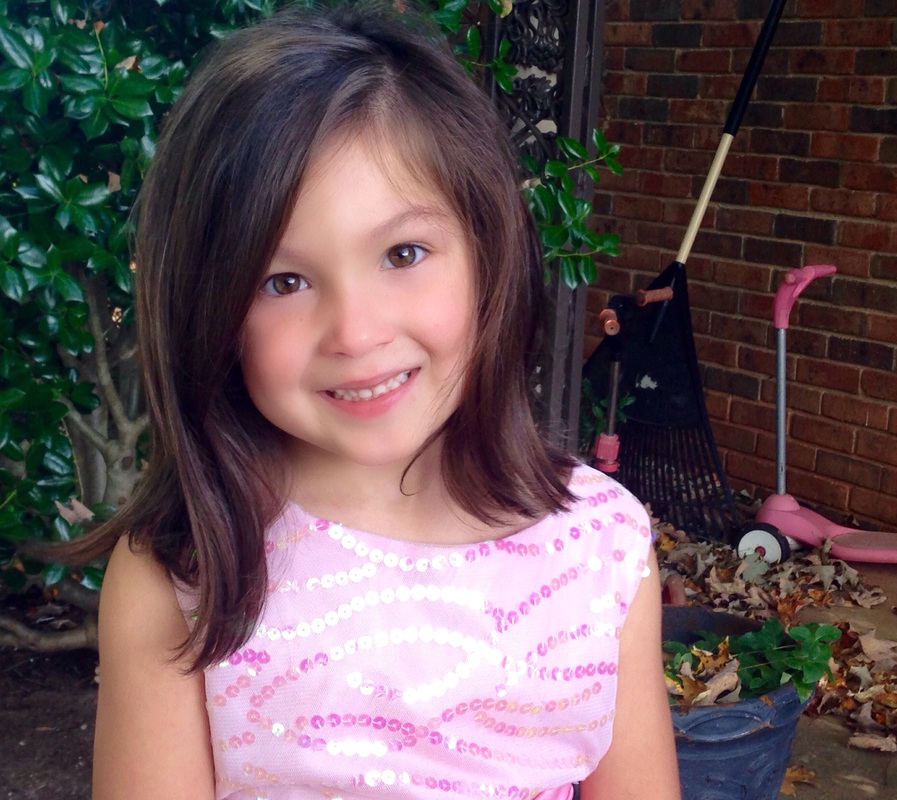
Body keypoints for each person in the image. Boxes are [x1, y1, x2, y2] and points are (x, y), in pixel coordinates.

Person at [79, 3, 680, 798]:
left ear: (488, 253)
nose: (356, 333)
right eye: (282, 281)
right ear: (209, 309)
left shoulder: (598, 545)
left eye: (403, 253)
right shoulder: (187, 570)